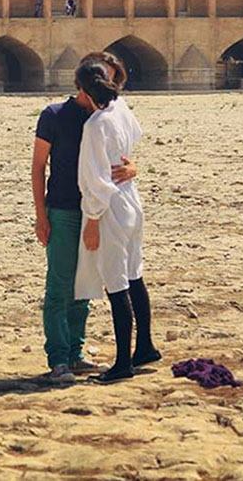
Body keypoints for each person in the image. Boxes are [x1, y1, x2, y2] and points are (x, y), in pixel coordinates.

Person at [32, 65, 138, 383]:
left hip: (96, 210)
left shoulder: (104, 115)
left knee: (84, 284)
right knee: (60, 285)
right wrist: (41, 216)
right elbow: (38, 167)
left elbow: (122, 155)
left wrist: (134, 168)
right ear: (81, 86)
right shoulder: (53, 115)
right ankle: (59, 358)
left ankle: (76, 354)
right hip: (64, 210)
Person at [73, 52, 160, 384]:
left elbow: (93, 180)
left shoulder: (95, 125)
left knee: (116, 281)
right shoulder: (120, 109)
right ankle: (146, 347)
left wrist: (92, 219)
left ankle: (123, 362)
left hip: (109, 205)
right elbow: (135, 136)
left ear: (83, 89)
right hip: (131, 199)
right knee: (134, 273)